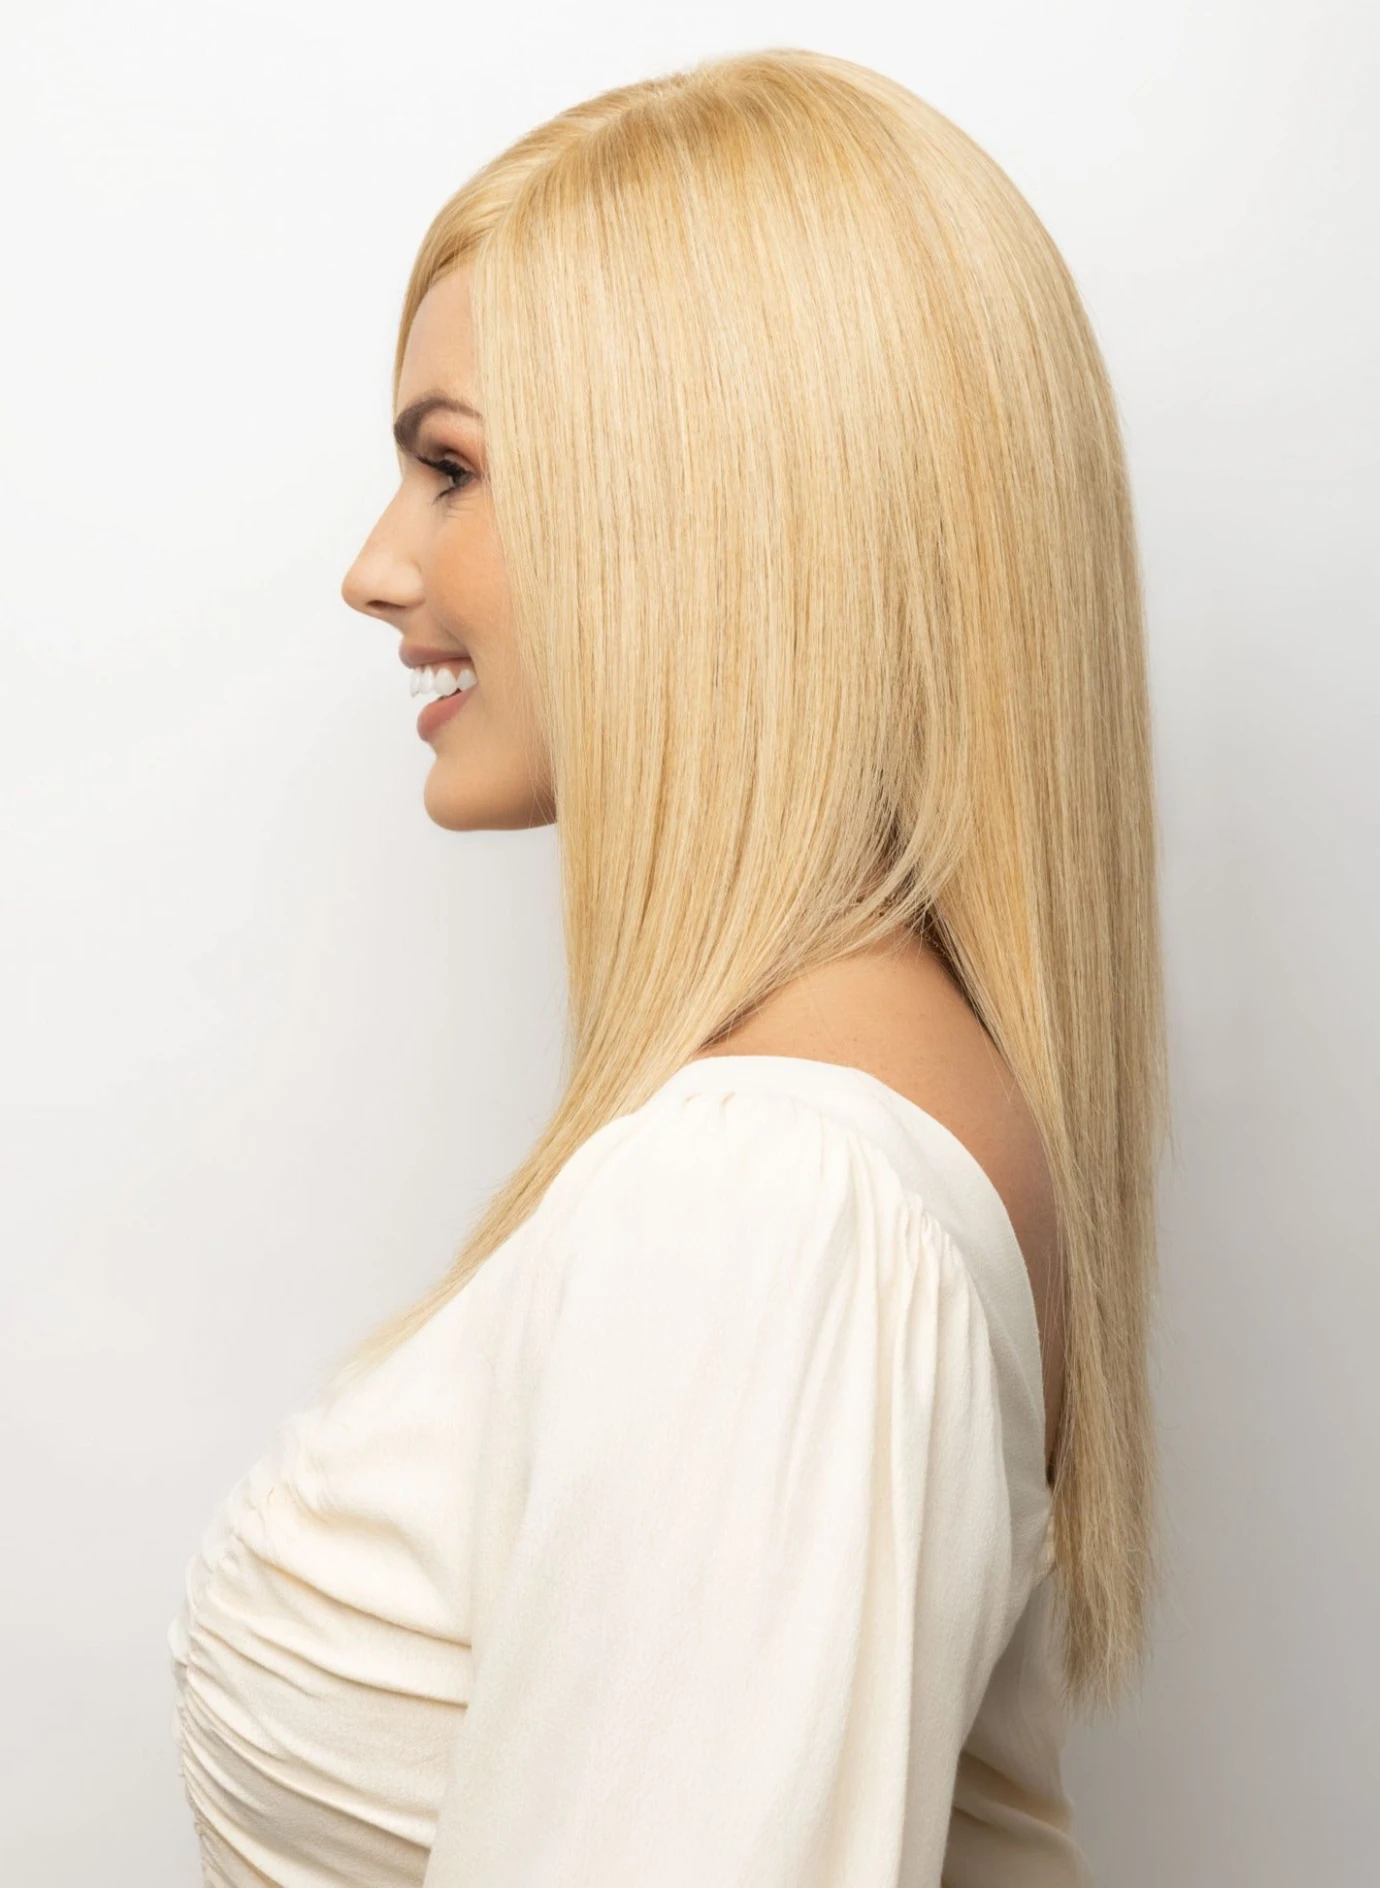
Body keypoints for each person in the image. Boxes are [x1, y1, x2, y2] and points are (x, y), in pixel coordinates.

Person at [167, 45, 1167, 1887]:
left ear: (712, 504)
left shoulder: (770, 1203)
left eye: (451, 468)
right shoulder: (834, 1148)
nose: (376, 568)